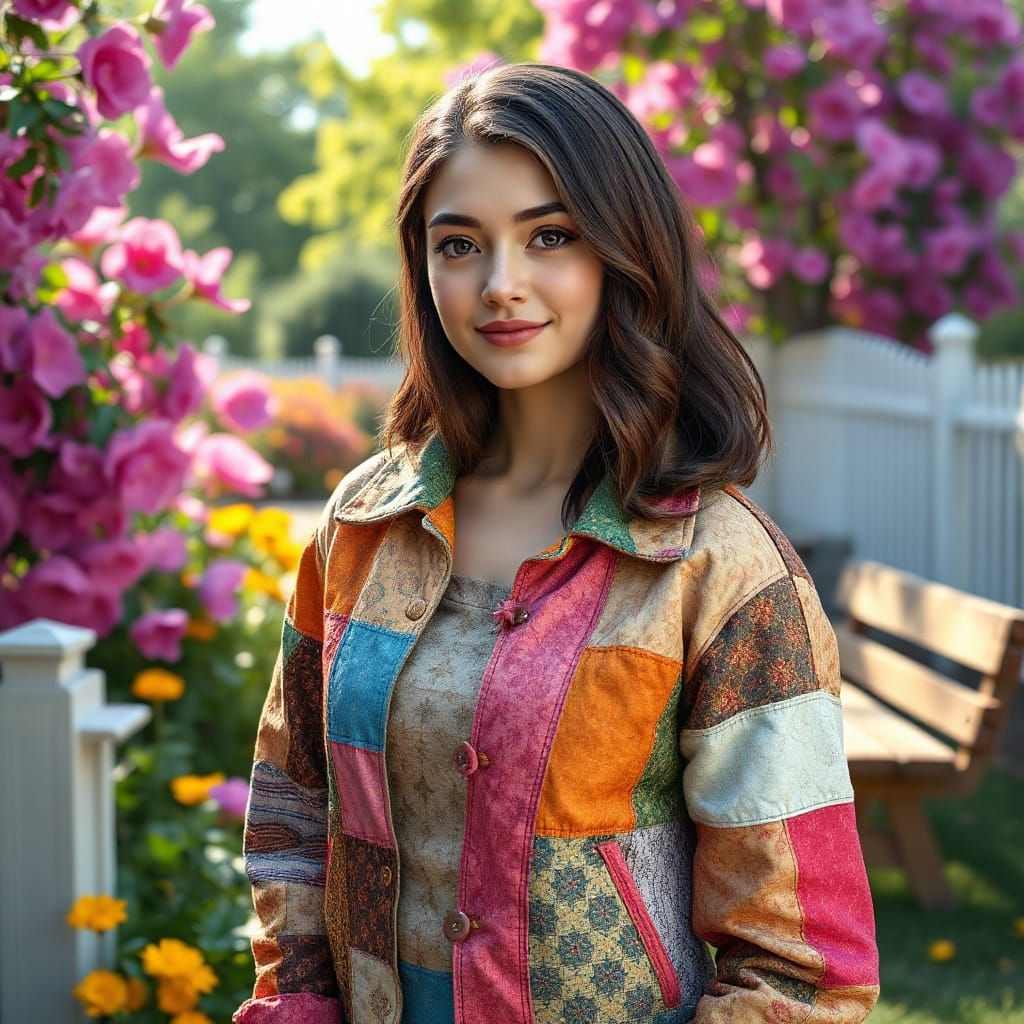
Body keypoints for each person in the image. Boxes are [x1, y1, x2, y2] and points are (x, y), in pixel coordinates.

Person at [233, 62, 879, 1024]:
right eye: (460, 245)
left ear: (627, 249)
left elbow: (802, 966)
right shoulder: (363, 526)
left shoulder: (721, 567)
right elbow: (293, 818)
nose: (501, 285)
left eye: (550, 236)